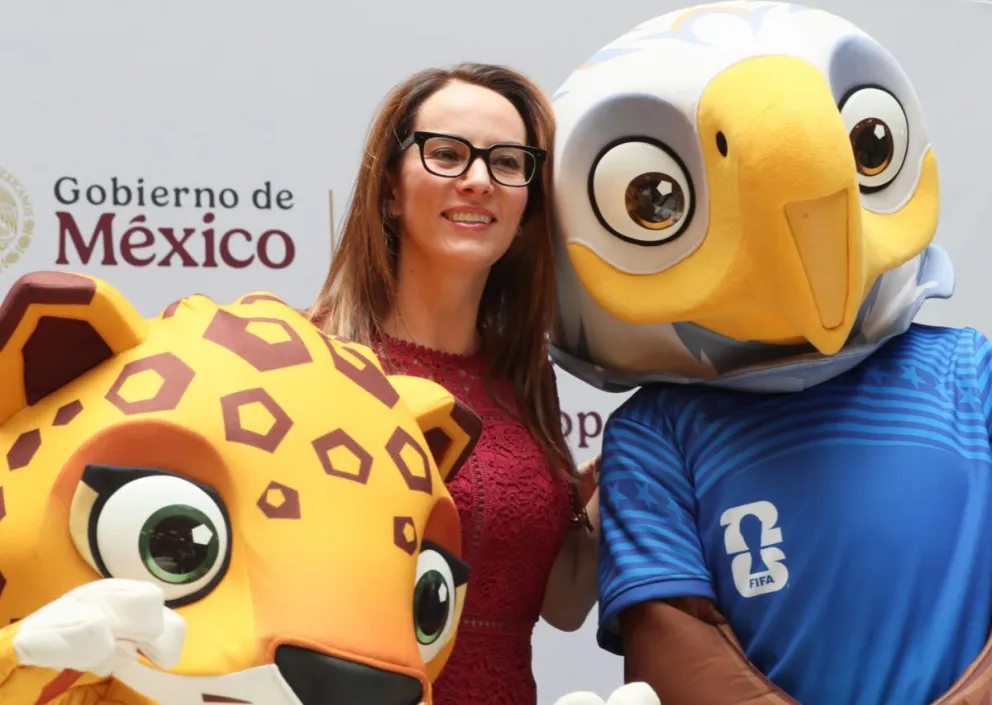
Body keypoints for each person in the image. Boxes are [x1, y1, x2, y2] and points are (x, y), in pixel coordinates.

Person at [307, 62, 600, 705]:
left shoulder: (527, 378)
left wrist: (626, 476)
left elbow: (565, 604)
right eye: (446, 154)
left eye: (507, 162)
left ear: (528, 204)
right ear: (388, 189)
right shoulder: (306, 357)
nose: (476, 180)